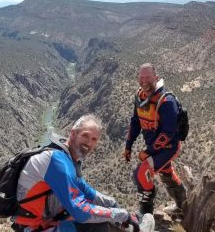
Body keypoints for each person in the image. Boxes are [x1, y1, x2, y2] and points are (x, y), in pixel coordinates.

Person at [13, 114, 141, 232]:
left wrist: (112, 204)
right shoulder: (57, 161)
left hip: (46, 221)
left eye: (94, 139)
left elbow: (86, 191)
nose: (89, 143)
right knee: (100, 227)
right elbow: (80, 211)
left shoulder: (67, 158)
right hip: (32, 227)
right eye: (85, 136)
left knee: (100, 219)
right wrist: (120, 214)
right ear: (73, 133)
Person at [123, 63, 186, 217]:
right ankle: (183, 207)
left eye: (148, 77)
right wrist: (128, 146)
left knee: (141, 173)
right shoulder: (139, 97)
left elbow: (168, 132)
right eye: (141, 77)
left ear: (156, 78)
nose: (144, 81)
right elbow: (135, 122)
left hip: (169, 147)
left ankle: (146, 214)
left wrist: (148, 151)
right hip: (155, 147)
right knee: (167, 174)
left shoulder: (166, 101)